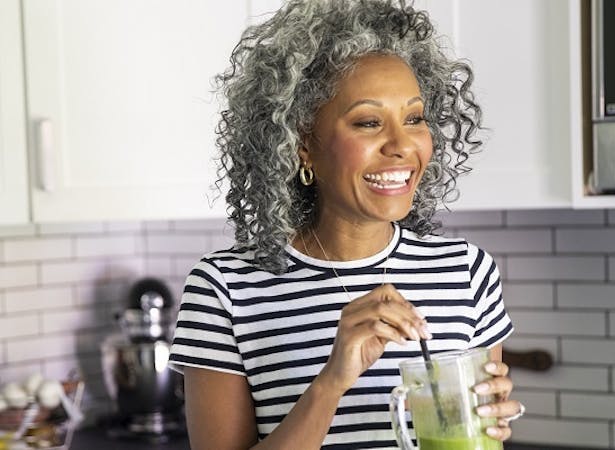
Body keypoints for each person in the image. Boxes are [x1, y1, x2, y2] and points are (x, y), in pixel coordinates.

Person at [168, 1, 522, 448]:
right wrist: (332, 381)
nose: (401, 145)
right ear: (301, 145)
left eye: (414, 118)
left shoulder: (467, 272)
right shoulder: (226, 289)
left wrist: (493, 419)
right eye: (369, 122)